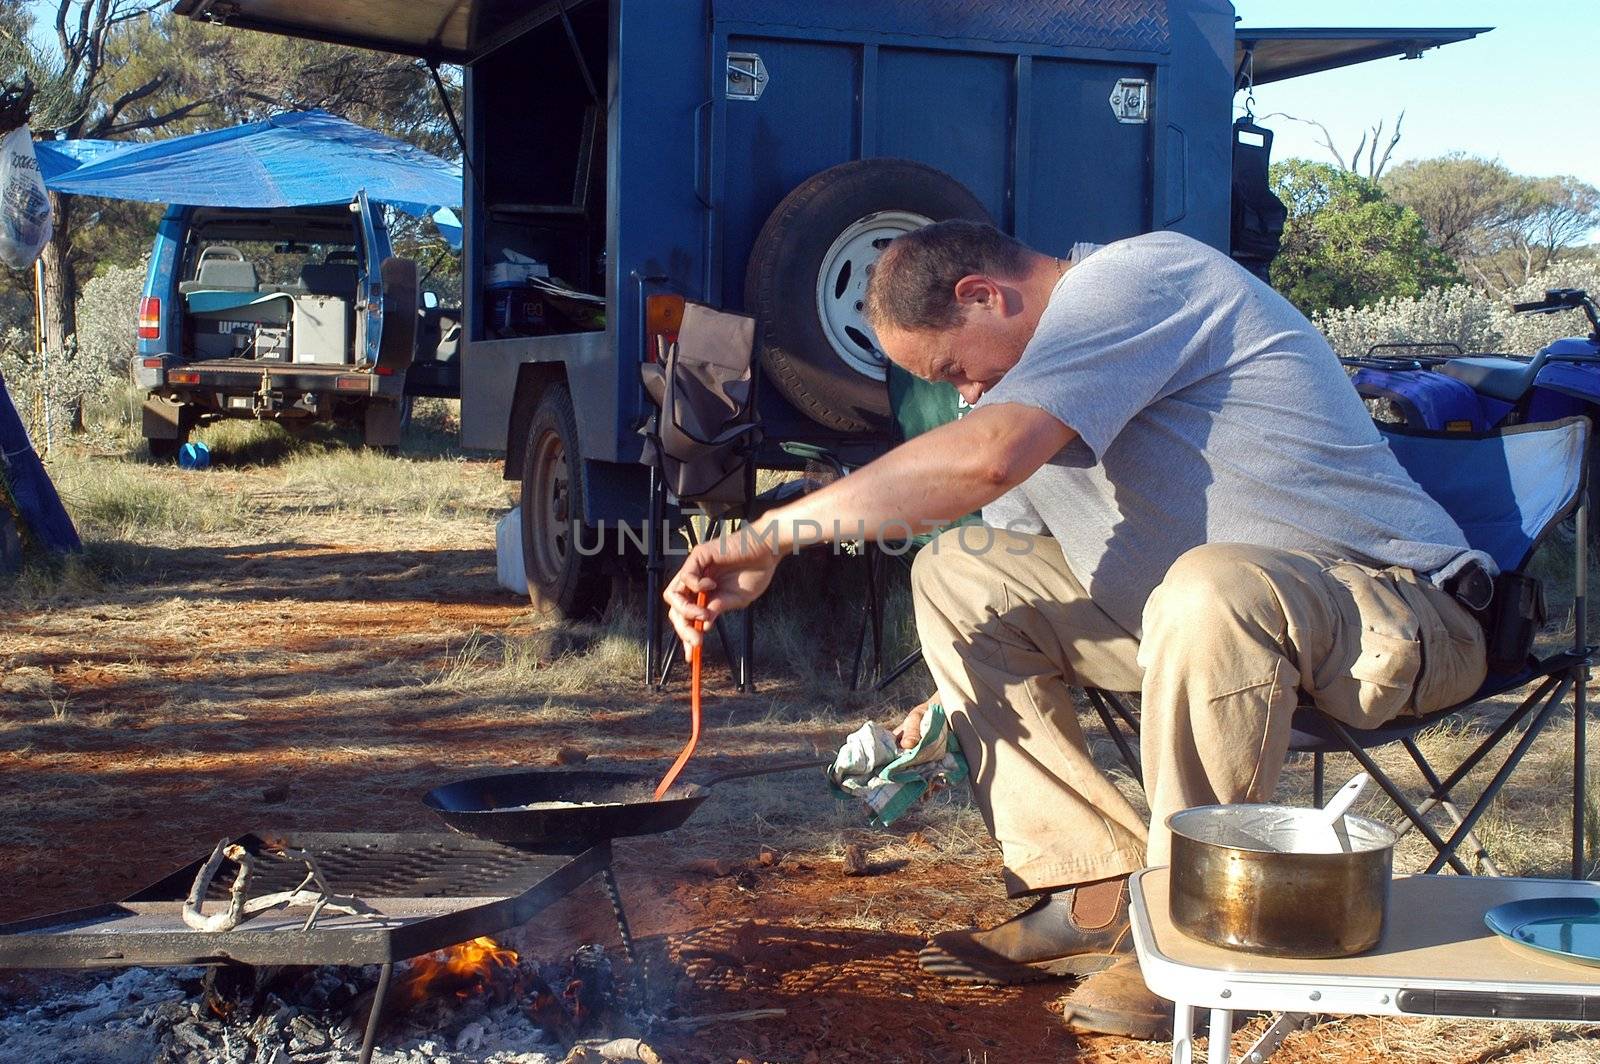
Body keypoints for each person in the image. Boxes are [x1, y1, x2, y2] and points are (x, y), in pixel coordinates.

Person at [663, 221, 1489, 1038]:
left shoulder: (1140, 278)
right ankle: (1093, 893)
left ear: (984, 295)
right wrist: (944, 698)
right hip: (1195, 626)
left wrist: (769, 534)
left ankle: (1186, 929)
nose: (963, 395)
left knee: (1209, 586)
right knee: (959, 571)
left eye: (955, 368)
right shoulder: (1039, 394)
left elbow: (985, 458)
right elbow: (986, 520)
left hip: (1391, 618)